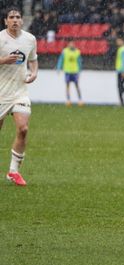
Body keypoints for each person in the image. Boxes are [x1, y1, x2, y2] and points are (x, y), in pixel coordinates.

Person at [0, 7, 38, 186]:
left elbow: (33, 58)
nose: (15, 20)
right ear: (5, 21)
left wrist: (34, 72)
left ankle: (13, 172)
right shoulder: (0, 38)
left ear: (22, 20)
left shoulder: (30, 39)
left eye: (18, 17)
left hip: (20, 92)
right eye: (11, 17)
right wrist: (3, 60)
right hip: (1, 93)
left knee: (23, 129)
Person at [56, 40, 83, 107]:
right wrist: (59, 68)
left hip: (75, 71)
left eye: (72, 44)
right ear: (68, 44)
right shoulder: (65, 51)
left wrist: (80, 70)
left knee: (77, 85)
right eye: (70, 44)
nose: (71, 45)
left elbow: (79, 61)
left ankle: (80, 100)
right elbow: (61, 60)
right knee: (67, 86)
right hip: (67, 71)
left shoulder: (77, 52)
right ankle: (68, 100)